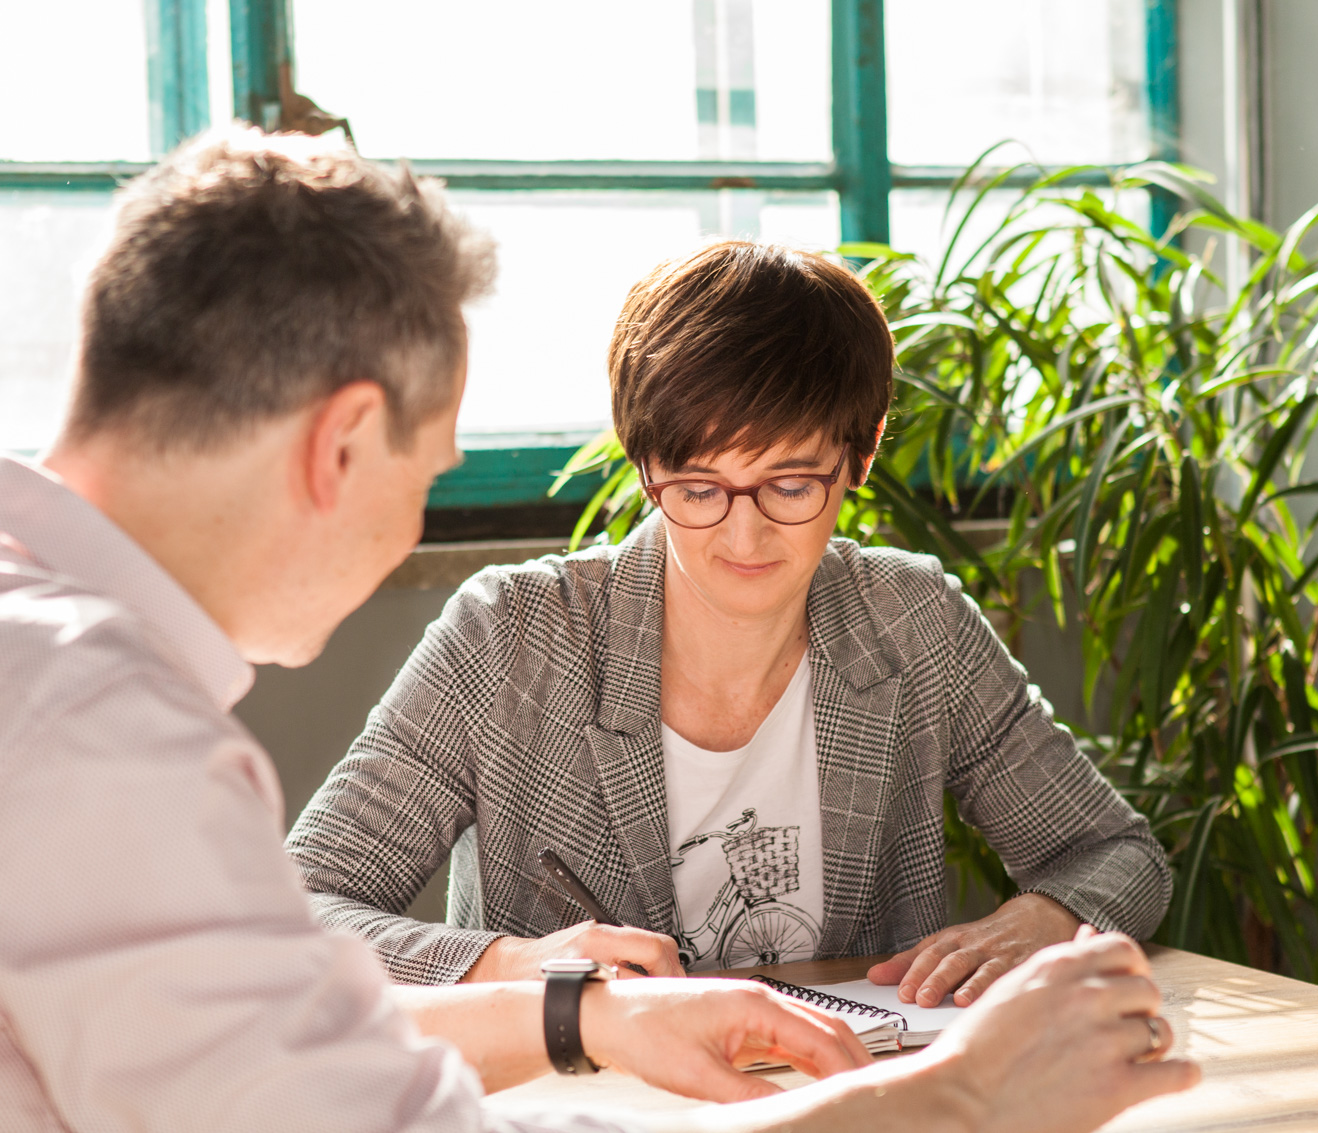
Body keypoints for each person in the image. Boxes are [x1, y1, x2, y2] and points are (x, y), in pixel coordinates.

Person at [0, 125, 1199, 1132]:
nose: (412, 524)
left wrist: (578, 1011)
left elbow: (275, 1046)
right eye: (430, 473)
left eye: (790, 480)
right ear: (343, 444)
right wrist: (970, 1097)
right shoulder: (103, 732)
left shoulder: (45, 670)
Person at [284, 237, 1173, 1012]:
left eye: (791, 485)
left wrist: (1048, 914)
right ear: (644, 469)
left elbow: (1114, 852)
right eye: (699, 488)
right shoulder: (509, 639)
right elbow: (296, 909)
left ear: (858, 455)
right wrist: (512, 965)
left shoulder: (914, 623)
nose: (744, 535)